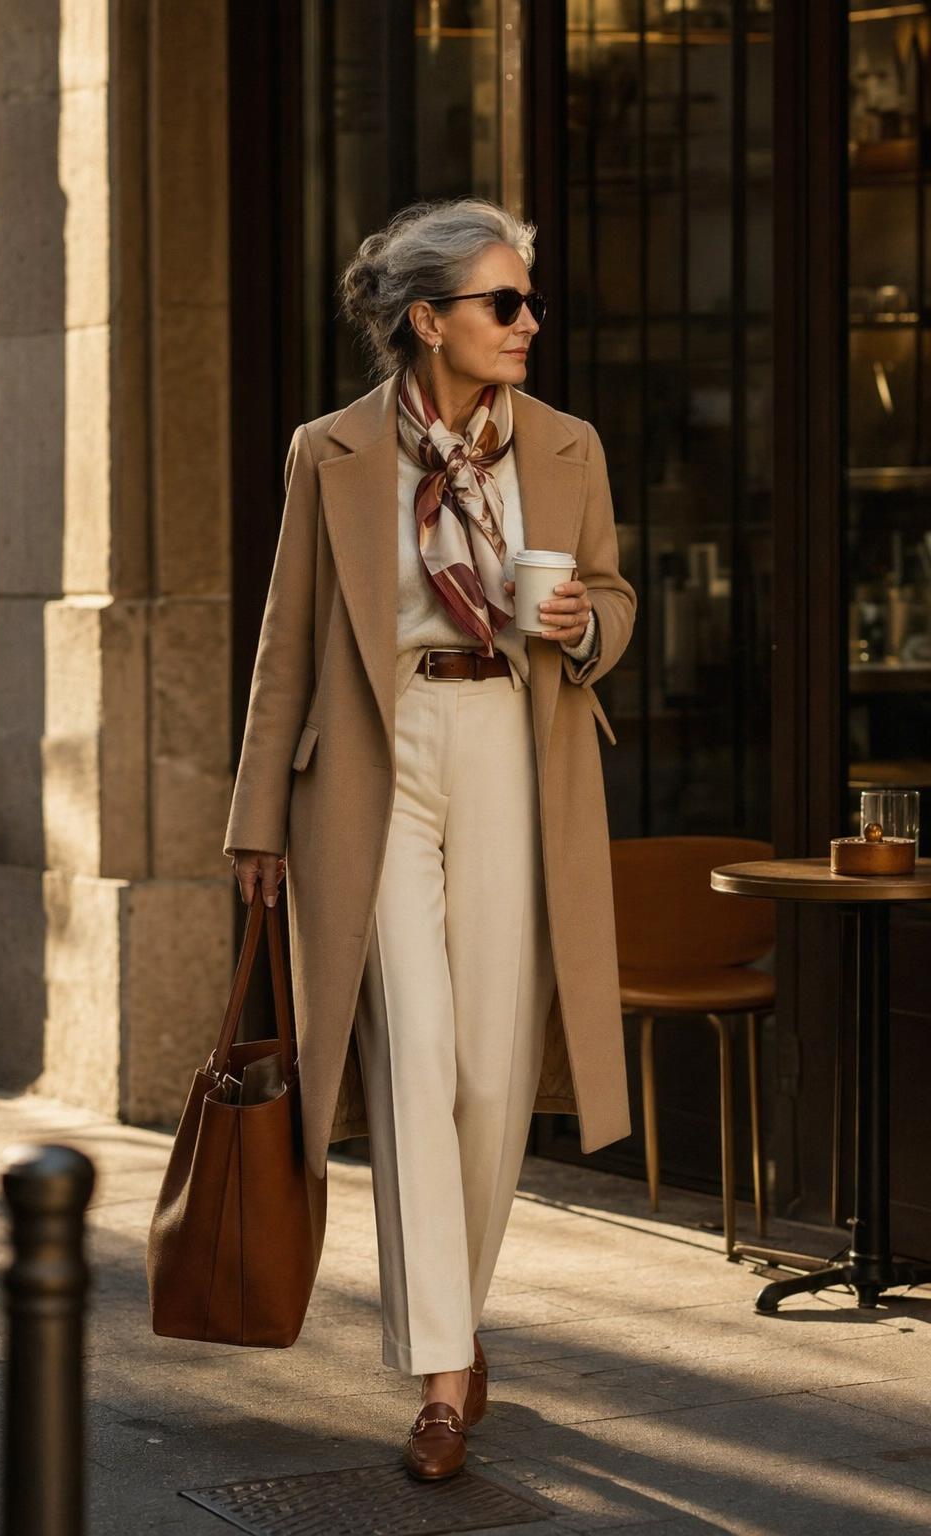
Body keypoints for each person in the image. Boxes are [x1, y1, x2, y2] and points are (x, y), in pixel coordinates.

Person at [225, 197, 636, 1481]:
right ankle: (444, 1372)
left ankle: (456, 1319)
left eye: (529, 301)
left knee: (489, 1068)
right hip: (373, 760)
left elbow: (612, 593)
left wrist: (582, 624)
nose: (528, 323)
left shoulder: (564, 445)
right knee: (410, 1048)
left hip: (513, 740)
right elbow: (287, 637)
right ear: (426, 320)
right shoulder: (331, 451)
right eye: (502, 303)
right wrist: (254, 818)